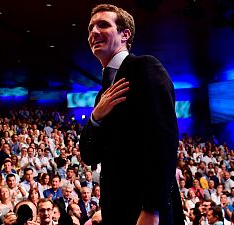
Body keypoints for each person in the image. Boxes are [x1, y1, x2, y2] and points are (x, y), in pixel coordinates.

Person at [79, 3, 183, 225]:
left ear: (125, 34)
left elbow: (163, 140)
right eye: (90, 28)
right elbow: (89, 155)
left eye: (103, 25)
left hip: (145, 211)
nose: (93, 32)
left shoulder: (144, 67)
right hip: (116, 211)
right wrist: (95, 117)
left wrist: (152, 209)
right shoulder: (102, 96)